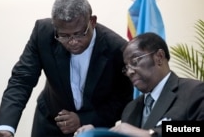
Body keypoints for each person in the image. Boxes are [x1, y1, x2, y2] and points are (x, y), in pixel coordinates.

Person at [0, 0, 134, 137]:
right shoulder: (43, 33)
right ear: (55, 27)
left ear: (92, 21)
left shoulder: (117, 49)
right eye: (64, 36)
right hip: (49, 123)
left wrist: (83, 119)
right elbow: (21, 80)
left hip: (93, 128)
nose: (72, 41)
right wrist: (6, 128)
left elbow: (124, 99)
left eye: (79, 33)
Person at [75, 32, 204, 137]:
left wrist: (149, 134)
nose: (130, 72)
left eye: (135, 61)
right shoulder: (131, 109)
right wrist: (99, 134)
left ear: (159, 57)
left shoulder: (194, 91)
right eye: (126, 67)